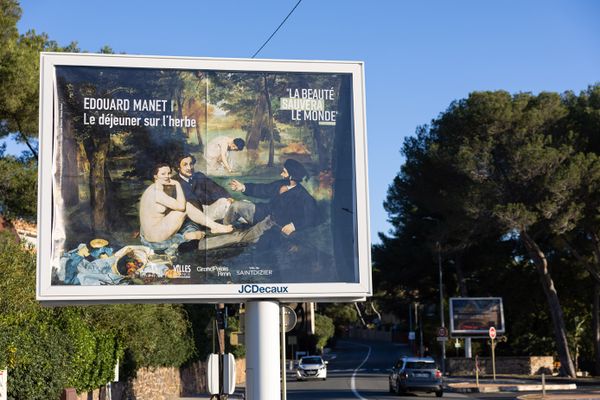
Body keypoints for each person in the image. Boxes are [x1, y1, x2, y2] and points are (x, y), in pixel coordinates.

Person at [227, 158, 320, 244]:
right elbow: (263, 189)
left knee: (241, 239)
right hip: (261, 211)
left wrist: (294, 226)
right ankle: (224, 227)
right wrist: (243, 187)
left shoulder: (303, 195)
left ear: (291, 176)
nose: (281, 174)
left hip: (271, 224)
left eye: (284, 172)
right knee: (236, 206)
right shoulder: (280, 184)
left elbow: (313, 215)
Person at [139, 163, 232, 248]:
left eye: (169, 173)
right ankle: (214, 226)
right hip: (155, 235)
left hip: (154, 231)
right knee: (186, 206)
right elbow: (182, 207)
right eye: (163, 174)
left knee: (186, 207)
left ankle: (213, 226)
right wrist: (177, 184)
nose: (167, 176)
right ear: (155, 176)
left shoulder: (156, 188)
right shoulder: (157, 193)